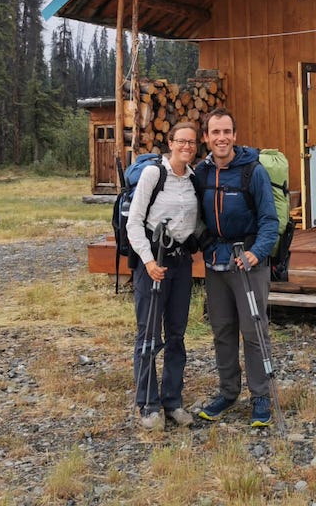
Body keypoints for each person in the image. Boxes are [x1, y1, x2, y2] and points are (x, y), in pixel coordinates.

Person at [195, 108, 280, 427]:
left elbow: (270, 221)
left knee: (254, 332)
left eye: (226, 131)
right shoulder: (201, 174)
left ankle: (260, 396)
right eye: (215, 132)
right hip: (216, 263)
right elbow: (196, 218)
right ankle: (228, 393)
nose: (221, 138)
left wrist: (256, 253)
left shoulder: (252, 171)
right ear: (206, 137)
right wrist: (204, 245)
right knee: (223, 331)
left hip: (248, 263)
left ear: (235, 135)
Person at [127, 122, 201, 430]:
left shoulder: (195, 179)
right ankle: (148, 403)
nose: (186, 146)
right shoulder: (153, 175)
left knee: (176, 334)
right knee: (148, 336)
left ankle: (172, 400)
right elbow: (134, 221)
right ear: (170, 143)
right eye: (181, 141)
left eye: (192, 142)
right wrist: (146, 261)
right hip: (153, 263)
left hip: (180, 262)